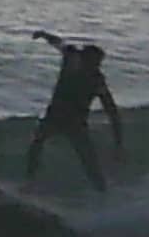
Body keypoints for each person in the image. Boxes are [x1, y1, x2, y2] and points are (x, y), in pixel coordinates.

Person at [23, 30, 125, 190]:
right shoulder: (71, 57)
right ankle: (29, 182)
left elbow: (111, 110)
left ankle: (102, 190)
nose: (95, 66)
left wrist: (118, 143)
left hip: (75, 123)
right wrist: (43, 34)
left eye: (97, 64)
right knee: (37, 142)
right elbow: (58, 42)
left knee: (88, 159)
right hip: (54, 116)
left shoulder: (97, 80)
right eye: (92, 63)